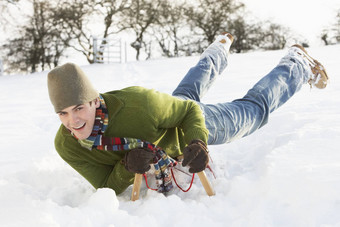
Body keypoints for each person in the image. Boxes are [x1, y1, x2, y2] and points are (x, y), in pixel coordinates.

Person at [47, 33, 328, 195]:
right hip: (168, 113)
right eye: (63, 113)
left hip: (185, 127)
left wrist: (198, 142)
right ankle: (218, 50)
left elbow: (190, 112)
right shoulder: (67, 144)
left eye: (79, 108)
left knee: (251, 112)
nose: (74, 121)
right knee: (186, 92)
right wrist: (126, 165)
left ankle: (297, 65)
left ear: (95, 101)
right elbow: (105, 186)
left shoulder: (139, 104)